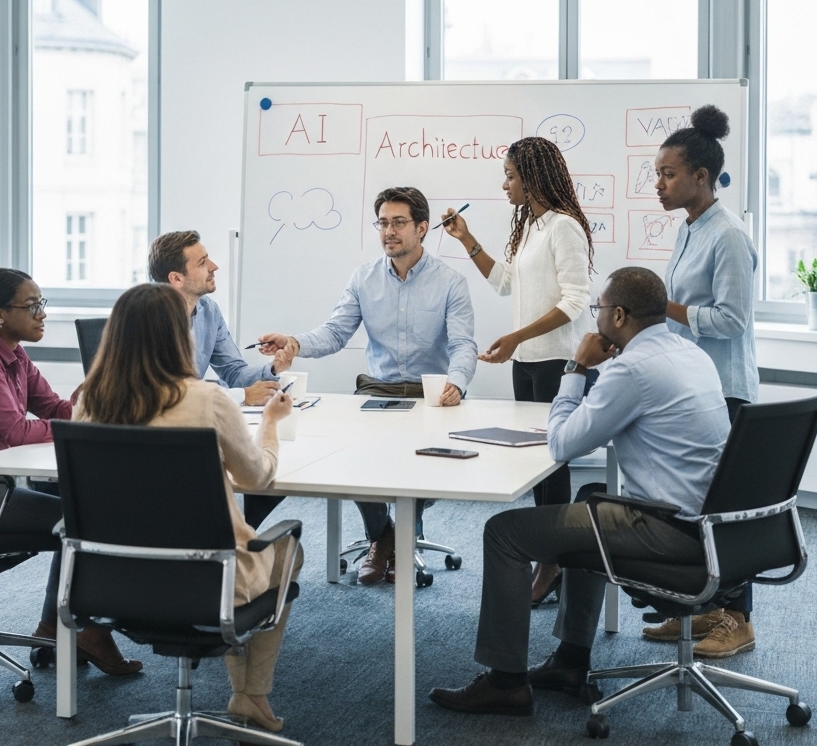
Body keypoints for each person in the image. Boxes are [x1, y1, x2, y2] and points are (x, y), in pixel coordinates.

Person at [429, 267, 730, 717]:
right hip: (715, 526)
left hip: (668, 530)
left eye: (599, 310)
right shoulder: (689, 353)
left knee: (504, 532)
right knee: (591, 498)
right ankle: (570, 661)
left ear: (620, 315)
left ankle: (505, 682)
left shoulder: (632, 368)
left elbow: (562, 443)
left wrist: (576, 367)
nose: (595, 319)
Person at [73, 282, 302, 734]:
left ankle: (247, 695)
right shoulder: (205, 400)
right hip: (206, 585)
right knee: (288, 550)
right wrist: (272, 424)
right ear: (180, 337)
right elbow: (257, 477)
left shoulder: (88, 402)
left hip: (113, 584)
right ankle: (250, 695)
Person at [0, 268, 141, 676]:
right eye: (32, 305)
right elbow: (16, 431)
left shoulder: (13, 351)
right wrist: (81, 425)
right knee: (83, 522)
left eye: (42, 304)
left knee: (82, 506)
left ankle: (56, 625)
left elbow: (53, 409)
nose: (42, 314)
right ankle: (81, 628)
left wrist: (106, 409)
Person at [258, 186, 477, 585]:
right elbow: (336, 332)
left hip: (430, 393)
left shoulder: (451, 282)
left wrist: (457, 383)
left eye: (398, 223)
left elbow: (463, 344)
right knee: (355, 455)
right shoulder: (364, 278)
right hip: (379, 389)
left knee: (438, 462)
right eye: (382, 223)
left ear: (422, 228)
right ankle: (385, 536)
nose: (388, 231)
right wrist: (296, 342)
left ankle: (398, 533)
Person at [442, 136, 593, 605]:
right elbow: (505, 282)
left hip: (554, 361)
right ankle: (549, 556)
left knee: (553, 463)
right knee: (535, 461)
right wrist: (467, 239)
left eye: (510, 176)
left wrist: (516, 338)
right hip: (526, 363)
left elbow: (575, 302)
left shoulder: (564, 227)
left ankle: (554, 562)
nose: (504, 185)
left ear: (533, 177)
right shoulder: (531, 224)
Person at [642, 104, 759, 658]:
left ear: (701, 177)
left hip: (726, 388)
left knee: (725, 507)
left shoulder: (728, 235)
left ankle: (738, 618)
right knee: (698, 503)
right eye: (657, 173)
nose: (659, 184)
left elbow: (733, 320)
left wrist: (670, 308)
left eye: (668, 173)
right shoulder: (691, 228)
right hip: (694, 386)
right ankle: (706, 612)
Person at [149, 230, 289, 406]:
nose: (213, 266)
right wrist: (242, 395)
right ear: (177, 278)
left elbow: (234, 372)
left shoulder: (209, 311)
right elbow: (168, 392)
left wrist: (273, 368)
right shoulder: (147, 318)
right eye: (202, 263)